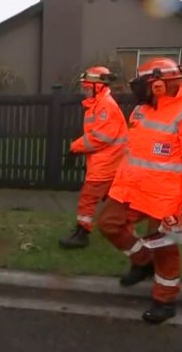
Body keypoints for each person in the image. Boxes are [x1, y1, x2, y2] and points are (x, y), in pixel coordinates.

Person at [97, 57, 182, 324]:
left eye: (143, 84)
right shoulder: (141, 111)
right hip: (132, 191)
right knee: (108, 224)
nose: (138, 90)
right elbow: (132, 154)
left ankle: (165, 300)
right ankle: (142, 260)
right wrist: (115, 184)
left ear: (160, 85)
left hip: (168, 199)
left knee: (166, 249)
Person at [59, 66, 128, 249]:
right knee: (116, 200)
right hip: (107, 161)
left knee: (88, 199)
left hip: (106, 163)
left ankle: (82, 233)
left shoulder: (105, 106)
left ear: (98, 86)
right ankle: (117, 227)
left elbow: (101, 137)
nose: (85, 90)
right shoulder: (98, 105)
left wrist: (75, 147)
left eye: (88, 87)